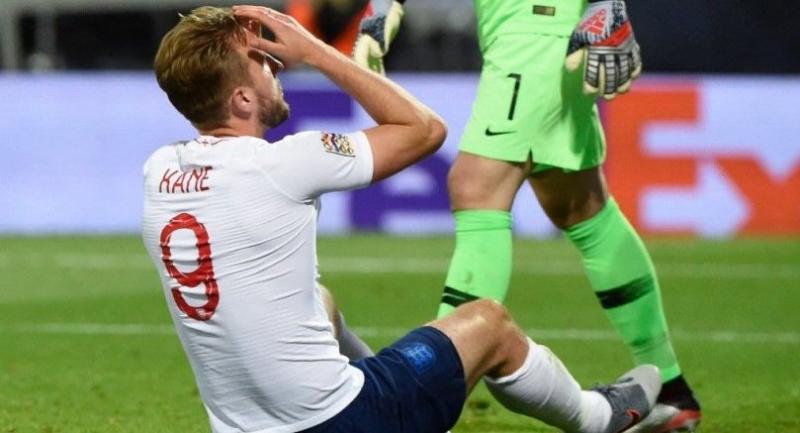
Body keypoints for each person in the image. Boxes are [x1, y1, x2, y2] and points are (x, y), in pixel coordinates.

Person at [142, 6, 661, 433]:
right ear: (241, 98)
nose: (275, 66)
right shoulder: (285, 163)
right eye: (261, 63)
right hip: (341, 422)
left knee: (322, 301)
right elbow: (424, 128)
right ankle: (600, 418)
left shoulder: (159, 170)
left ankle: (388, 387)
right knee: (489, 322)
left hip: (246, 428)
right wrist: (315, 50)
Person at [353, 1, 702, 432]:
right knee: (583, 211)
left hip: (531, 36)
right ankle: (670, 389)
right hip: (552, 37)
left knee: (476, 187)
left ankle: (429, 388)